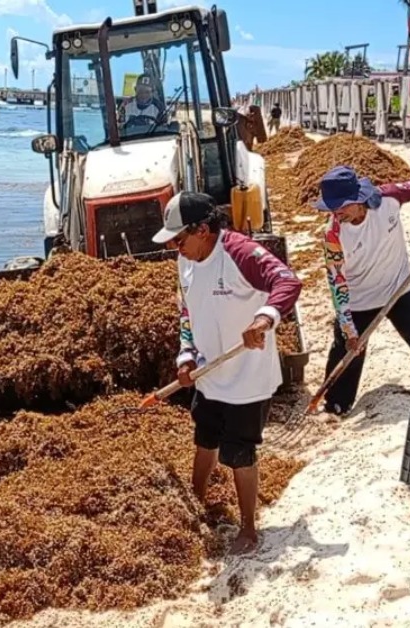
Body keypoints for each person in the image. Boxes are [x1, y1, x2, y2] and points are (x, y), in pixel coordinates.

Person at [151, 191, 303, 555]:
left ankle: (249, 528)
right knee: (204, 438)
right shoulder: (184, 262)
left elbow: (288, 282)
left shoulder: (239, 253)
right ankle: (197, 500)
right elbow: (187, 312)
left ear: (202, 229)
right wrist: (186, 356)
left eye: (179, 238)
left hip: (248, 379)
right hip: (210, 371)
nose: (175, 247)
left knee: (239, 452)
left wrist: (265, 318)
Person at [315, 166, 410, 416]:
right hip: (358, 298)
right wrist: (349, 329)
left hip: (399, 287)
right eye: (332, 207)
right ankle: (336, 406)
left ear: (358, 199)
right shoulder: (333, 234)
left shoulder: (388, 199)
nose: (335, 213)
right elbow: (336, 281)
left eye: (340, 206)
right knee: (346, 350)